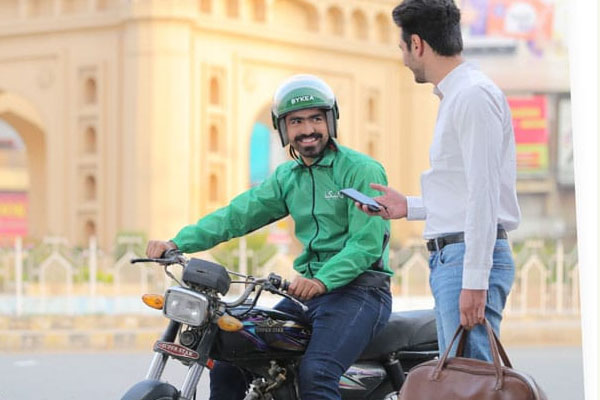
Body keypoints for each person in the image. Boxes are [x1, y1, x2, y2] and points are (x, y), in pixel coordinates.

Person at [146, 74, 393, 399]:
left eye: (316, 119)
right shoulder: (287, 177)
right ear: (283, 129)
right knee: (231, 360)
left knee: (317, 374)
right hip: (305, 296)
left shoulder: (361, 170)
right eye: (296, 121)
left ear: (331, 121)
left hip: (359, 293)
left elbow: (366, 244)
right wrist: (178, 242)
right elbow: (237, 215)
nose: (307, 129)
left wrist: (322, 281)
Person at [357, 0, 521, 361]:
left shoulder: (472, 96)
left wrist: (474, 281)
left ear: (417, 44)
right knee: (460, 377)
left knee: (471, 378)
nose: (403, 59)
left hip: (466, 259)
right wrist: (409, 206)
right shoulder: (459, 95)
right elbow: (465, 192)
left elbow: (484, 194)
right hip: (456, 256)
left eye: (402, 48)